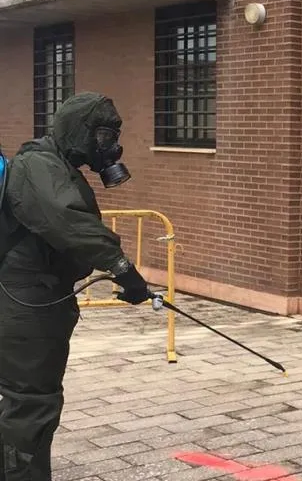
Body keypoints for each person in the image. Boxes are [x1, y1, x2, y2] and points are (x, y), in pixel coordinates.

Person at [0, 92, 154, 480]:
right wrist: (122, 268)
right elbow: (70, 223)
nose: (109, 146)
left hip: (41, 297)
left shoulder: (56, 166)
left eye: (112, 136)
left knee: (28, 398)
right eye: (102, 135)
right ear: (78, 130)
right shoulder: (39, 165)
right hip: (27, 301)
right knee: (31, 401)